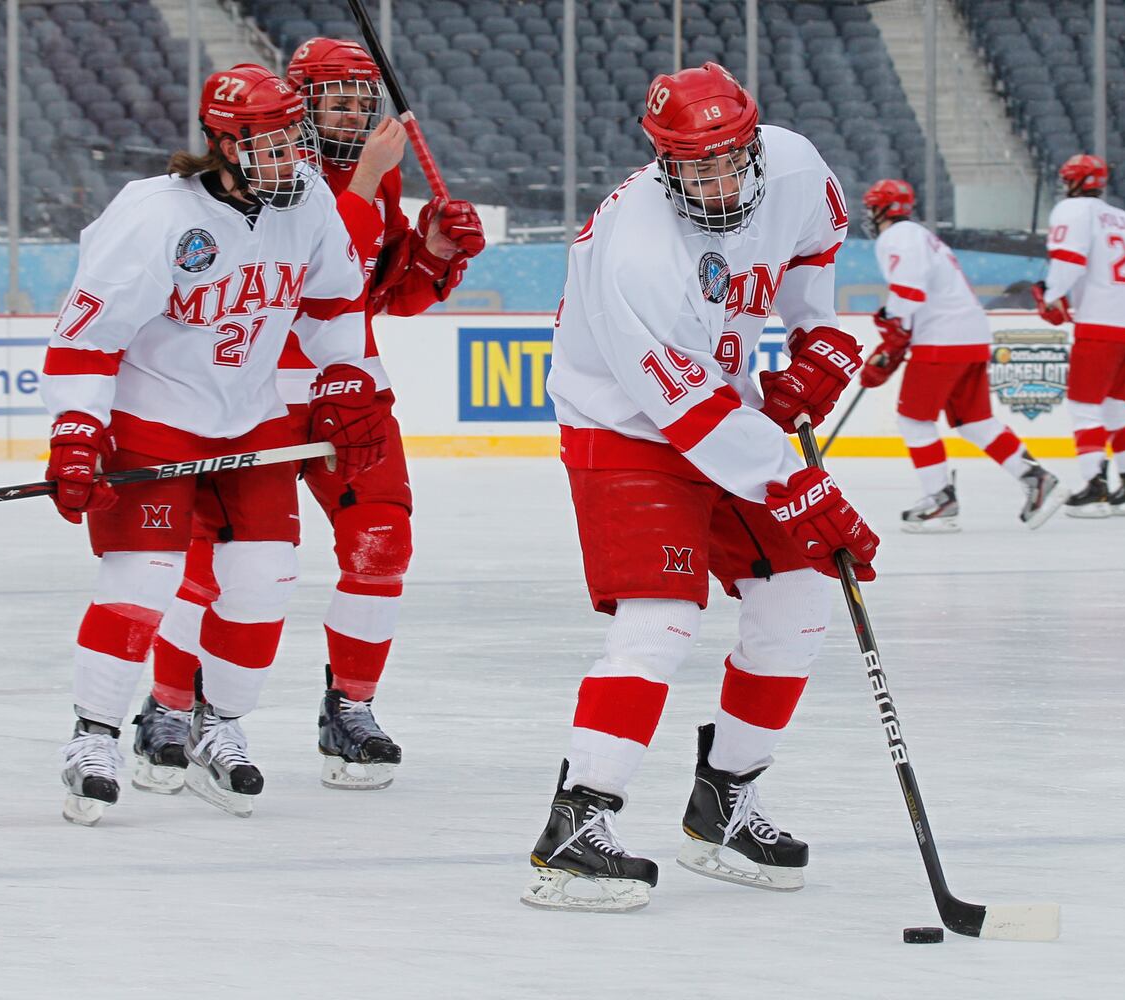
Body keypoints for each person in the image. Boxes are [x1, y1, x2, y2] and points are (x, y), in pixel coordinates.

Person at [521, 63, 877, 913]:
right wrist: (800, 488)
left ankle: (724, 800)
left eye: (729, 159)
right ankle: (575, 825)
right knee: (661, 618)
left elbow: (805, 273)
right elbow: (685, 413)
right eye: (695, 167)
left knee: (797, 596)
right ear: (662, 162)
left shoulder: (792, 166)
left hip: (729, 412)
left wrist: (819, 346)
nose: (716, 181)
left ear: (753, 144)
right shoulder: (636, 250)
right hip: (626, 425)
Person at [131, 38, 486, 795]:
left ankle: (350, 707)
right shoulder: (260, 176)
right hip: (247, 398)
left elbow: (375, 293)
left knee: (381, 543)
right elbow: (302, 279)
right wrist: (360, 184)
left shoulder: (377, 177)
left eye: (365, 99)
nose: (355, 112)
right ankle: (168, 704)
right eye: (337, 98)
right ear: (298, 102)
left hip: (347, 389)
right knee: (218, 567)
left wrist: (430, 253)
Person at [44, 64, 386, 825]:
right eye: (270, 144)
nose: (291, 158)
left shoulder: (308, 204)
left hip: (252, 415)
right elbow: (87, 340)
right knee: (143, 577)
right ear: (224, 145)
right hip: (153, 416)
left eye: (295, 140)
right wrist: (76, 431)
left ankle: (218, 726)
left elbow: (334, 304)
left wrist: (342, 379)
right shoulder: (154, 214)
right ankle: (92, 737)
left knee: (265, 577)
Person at [859, 178, 1068, 532]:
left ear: (882, 209)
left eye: (872, 208)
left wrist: (893, 327)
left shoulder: (897, 236)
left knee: (913, 419)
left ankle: (940, 499)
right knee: (975, 422)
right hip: (970, 334)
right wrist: (898, 328)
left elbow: (909, 292)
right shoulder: (922, 237)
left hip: (941, 338)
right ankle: (1036, 478)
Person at [1032, 154, 1125, 516]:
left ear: (1071, 182)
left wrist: (1052, 294)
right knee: (1119, 406)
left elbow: (1069, 259)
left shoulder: (1074, 210)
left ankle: (1094, 486)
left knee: (1084, 405)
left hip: (1102, 321)